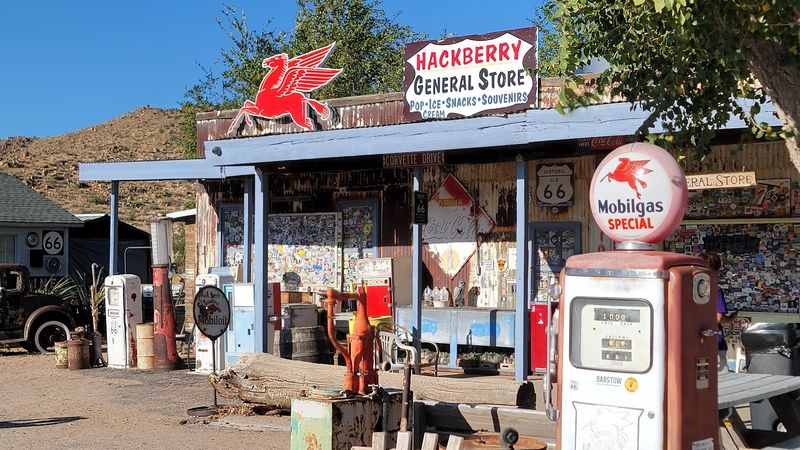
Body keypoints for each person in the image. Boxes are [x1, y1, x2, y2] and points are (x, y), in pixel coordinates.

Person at [701, 252, 736, 372]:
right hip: (714, 340)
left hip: (693, 340)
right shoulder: (715, 289)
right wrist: (731, 318)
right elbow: (718, 318)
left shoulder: (687, 287)